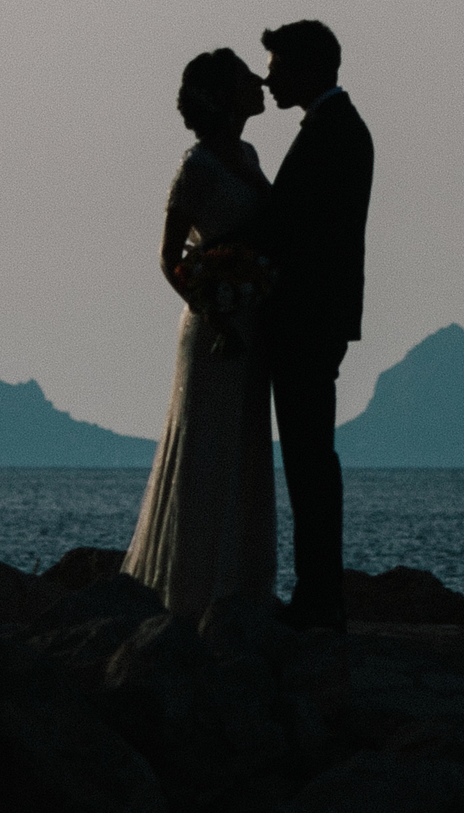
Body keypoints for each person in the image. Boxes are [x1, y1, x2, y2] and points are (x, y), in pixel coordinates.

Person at [121, 49, 278, 612]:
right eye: (245, 78)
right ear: (224, 96)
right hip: (213, 324)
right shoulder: (198, 167)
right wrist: (211, 307)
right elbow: (170, 256)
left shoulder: (249, 154)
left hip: (251, 317)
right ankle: (193, 589)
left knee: (244, 447)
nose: (259, 81)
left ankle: (240, 585)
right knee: (206, 451)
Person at [246, 18, 373, 630]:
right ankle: (318, 588)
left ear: (308, 69)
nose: (268, 80)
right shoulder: (337, 128)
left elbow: (298, 229)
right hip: (315, 317)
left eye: (277, 69)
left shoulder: (334, 133)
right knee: (307, 455)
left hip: (307, 318)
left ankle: (319, 593)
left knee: (309, 458)